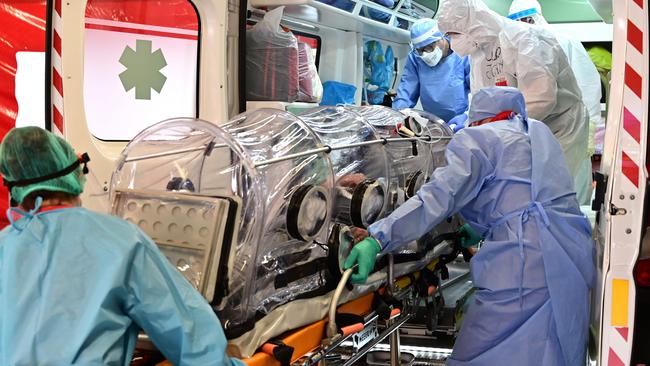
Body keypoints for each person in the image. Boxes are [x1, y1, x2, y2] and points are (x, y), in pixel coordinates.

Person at [345, 87, 596, 366]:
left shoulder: (478, 138)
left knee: (482, 353)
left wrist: (378, 238)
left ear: (477, 119)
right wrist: (481, 226)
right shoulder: (538, 132)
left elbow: (436, 198)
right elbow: (529, 191)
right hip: (571, 251)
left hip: (526, 264)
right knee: (552, 347)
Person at [0, 126, 243, 366]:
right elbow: (190, 336)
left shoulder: (5, 244)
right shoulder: (119, 239)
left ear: (13, 187)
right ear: (74, 174)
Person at [437, 0, 593, 205]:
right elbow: (481, 98)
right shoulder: (479, 52)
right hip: (520, 133)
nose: (451, 41)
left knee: (555, 197)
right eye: (448, 35)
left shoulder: (523, 38)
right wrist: (471, 123)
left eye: (454, 34)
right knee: (526, 197)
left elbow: (541, 98)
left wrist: (498, 127)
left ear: (474, 24)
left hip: (559, 131)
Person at [508, 0, 602, 161]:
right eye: (516, 22)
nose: (523, 25)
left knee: (572, 178)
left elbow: (587, 83)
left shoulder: (564, 41)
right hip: (534, 129)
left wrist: (591, 125)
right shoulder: (513, 50)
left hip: (570, 127)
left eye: (527, 20)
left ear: (536, 18)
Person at [392, 18, 471, 124]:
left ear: (441, 38)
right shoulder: (416, 58)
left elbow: (478, 92)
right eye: (420, 50)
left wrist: (467, 116)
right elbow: (406, 91)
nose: (425, 55)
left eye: (429, 47)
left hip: (460, 120)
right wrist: (397, 115)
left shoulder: (462, 53)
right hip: (433, 122)